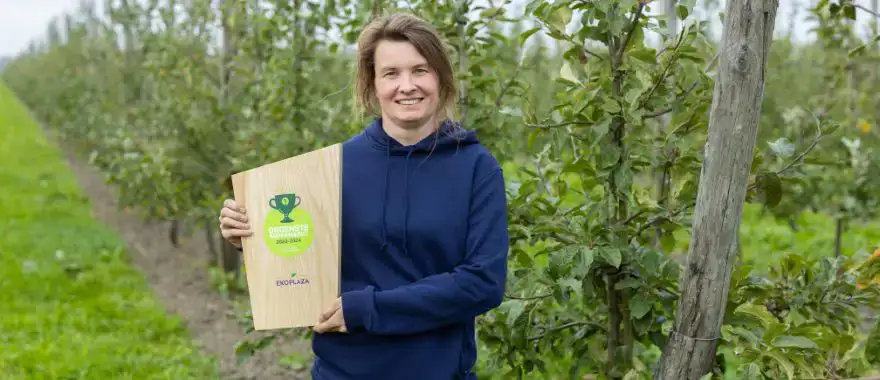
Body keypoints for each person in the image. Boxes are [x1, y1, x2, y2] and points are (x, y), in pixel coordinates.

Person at [218, 12, 509, 380]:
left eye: (420, 70)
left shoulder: (476, 168)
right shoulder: (333, 166)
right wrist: (252, 234)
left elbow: (483, 283)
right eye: (391, 73)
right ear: (372, 85)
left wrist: (367, 308)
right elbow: (300, 250)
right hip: (343, 372)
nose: (407, 85)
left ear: (441, 77)